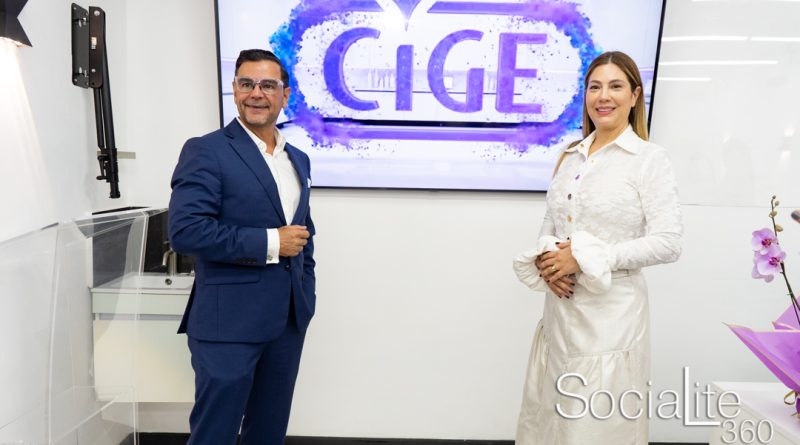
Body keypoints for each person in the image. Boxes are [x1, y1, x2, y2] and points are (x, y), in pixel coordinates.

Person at [512, 51, 682, 444]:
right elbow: (551, 222)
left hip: (612, 319)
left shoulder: (649, 160)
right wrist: (548, 264)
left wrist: (586, 259)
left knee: (595, 424)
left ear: (635, 96)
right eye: (595, 87)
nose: (603, 96)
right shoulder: (569, 156)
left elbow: (669, 242)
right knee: (552, 419)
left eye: (615, 86)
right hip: (560, 313)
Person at [168, 49, 316, 445]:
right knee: (214, 435)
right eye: (246, 84)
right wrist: (272, 241)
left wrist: (306, 294)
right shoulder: (207, 150)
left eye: (267, 85)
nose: (256, 93)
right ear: (234, 90)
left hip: (286, 323)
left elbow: (304, 235)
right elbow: (185, 231)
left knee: (268, 434)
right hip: (227, 325)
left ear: (284, 95)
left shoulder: (297, 159)